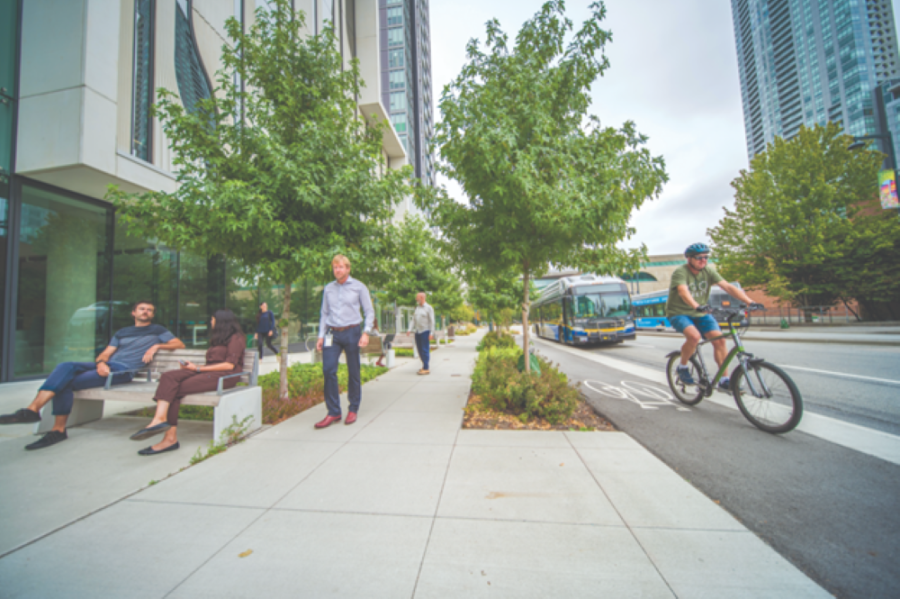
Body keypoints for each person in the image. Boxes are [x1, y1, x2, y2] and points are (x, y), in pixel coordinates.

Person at [0, 301, 184, 450]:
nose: (146, 312)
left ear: (152, 315)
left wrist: (157, 345)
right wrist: (101, 363)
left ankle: (55, 428)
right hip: (108, 366)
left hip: (122, 372)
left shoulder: (157, 330)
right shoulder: (122, 333)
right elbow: (105, 353)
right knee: (66, 366)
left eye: (149, 310)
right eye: (142, 309)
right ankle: (33, 410)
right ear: (133, 313)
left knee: (65, 382)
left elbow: (178, 344)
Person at [130, 309, 245, 455]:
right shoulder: (219, 339)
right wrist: (190, 367)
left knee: (173, 390)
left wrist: (197, 368)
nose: (211, 322)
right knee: (168, 377)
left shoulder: (237, 338)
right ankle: (159, 420)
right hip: (209, 371)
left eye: (212, 319)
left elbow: (230, 365)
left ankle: (169, 438)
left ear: (222, 321)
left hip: (225, 376)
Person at [666, 243, 759, 390]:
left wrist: (750, 302)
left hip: (701, 313)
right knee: (694, 337)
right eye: (699, 258)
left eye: (706, 257)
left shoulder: (708, 271)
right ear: (689, 259)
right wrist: (696, 305)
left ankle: (724, 380)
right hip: (679, 312)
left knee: (720, 340)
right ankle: (682, 367)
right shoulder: (681, 272)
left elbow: (728, 287)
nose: (703, 260)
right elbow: (683, 291)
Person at [314, 254, 374, 429]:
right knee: (328, 369)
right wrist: (320, 335)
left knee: (353, 371)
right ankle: (333, 411)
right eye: (335, 267)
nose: (337, 270)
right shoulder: (328, 288)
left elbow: (369, 311)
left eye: (340, 267)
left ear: (348, 269)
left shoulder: (359, 287)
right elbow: (324, 313)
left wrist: (366, 332)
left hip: (352, 332)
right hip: (332, 333)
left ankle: (353, 408)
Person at [409, 292, 435, 375]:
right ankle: (424, 365)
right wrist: (409, 329)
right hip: (417, 331)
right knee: (419, 350)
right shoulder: (417, 308)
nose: (416, 299)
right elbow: (413, 320)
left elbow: (432, 321)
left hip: (425, 331)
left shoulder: (429, 308)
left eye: (417, 297)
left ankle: (426, 368)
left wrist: (431, 333)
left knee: (424, 349)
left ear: (422, 298)